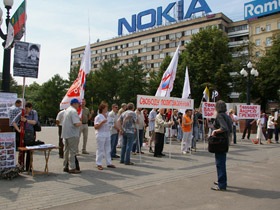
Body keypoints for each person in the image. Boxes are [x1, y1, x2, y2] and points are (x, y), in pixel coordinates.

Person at [211, 100, 232, 191]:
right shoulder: (227, 116)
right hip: (225, 140)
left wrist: (215, 131)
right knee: (221, 161)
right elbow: (229, 129)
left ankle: (222, 184)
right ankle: (221, 180)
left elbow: (224, 128)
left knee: (220, 163)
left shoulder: (220, 116)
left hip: (220, 141)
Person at [12, 102, 38, 171]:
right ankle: (21, 166)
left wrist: (26, 120)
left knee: (29, 151)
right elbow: (13, 122)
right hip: (23, 134)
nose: (26, 111)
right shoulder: (22, 113)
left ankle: (28, 167)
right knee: (22, 150)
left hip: (31, 134)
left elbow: (34, 122)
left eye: (27, 109)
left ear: (31, 108)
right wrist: (19, 130)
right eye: (25, 109)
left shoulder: (34, 113)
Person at [61, 98, 82, 174]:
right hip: (72, 134)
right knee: (72, 151)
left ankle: (65, 166)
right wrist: (80, 122)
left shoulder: (67, 110)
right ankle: (72, 167)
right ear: (74, 104)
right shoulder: (73, 111)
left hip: (66, 134)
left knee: (66, 151)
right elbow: (76, 123)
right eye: (78, 104)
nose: (78, 105)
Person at [94, 101, 116, 170]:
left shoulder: (108, 116)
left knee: (108, 149)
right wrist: (102, 122)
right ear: (103, 108)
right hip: (100, 134)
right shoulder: (98, 117)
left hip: (107, 134)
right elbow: (96, 127)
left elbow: (112, 124)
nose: (107, 109)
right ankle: (99, 163)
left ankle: (109, 163)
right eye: (106, 107)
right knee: (100, 149)